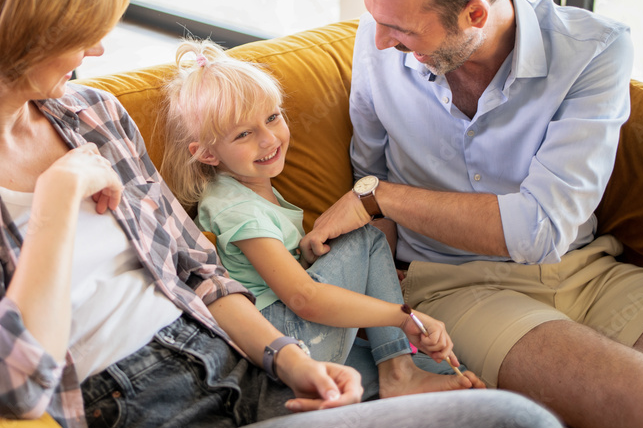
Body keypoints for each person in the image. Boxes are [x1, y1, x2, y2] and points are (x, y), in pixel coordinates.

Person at [0, 0, 566, 428]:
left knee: (513, 421)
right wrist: (57, 196)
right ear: (22, 27)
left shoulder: (92, 113)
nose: (99, 50)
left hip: (236, 356)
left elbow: (198, 268)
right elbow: (11, 381)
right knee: (512, 424)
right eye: (83, 30)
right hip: (136, 404)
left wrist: (291, 360)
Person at [300, 0, 643, 428]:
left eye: (404, 30)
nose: (381, 40)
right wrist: (387, 319)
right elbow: (368, 175)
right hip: (452, 287)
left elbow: (541, 230)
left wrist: (383, 198)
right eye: (376, 19)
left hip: (585, 269)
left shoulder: (593, 51)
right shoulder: (377, 43)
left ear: (475, 13)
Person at [161, 40, 485, 400]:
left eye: (272, 117)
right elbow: (303, 298)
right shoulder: (235, 208)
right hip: (287, 337)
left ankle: (401, 376)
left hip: (301, 342)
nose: (269, 139)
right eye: (243, 134)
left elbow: (282, 274)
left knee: (442, 376)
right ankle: (398, 370)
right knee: (367, 238)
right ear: (206, 153)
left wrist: (320, 262)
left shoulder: (249, 189)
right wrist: (400, 316)